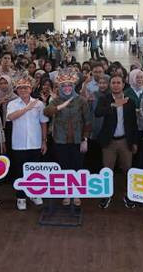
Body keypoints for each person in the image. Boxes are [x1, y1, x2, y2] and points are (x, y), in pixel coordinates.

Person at [44, 69, 91, 207]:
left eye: (69, 85)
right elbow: (46, 112)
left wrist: (85, 139)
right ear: (60, 87)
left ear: (73, 86)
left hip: (78, 140)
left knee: (77, 166)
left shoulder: (81, 100)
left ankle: (76, 193)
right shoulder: (55, 100)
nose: (67, 88)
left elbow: (87, 121)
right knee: (64, 167)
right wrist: (59, 107)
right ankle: (66, 192)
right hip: (60, 140)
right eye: (63, 86)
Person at [95, 75, 139, 209]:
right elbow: (97, 113)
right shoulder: (104, 99)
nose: (115, 85)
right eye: (113, 83)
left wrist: (135, 142)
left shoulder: (129, 101)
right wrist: (113, 106)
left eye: (118, 82)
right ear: (110, 85)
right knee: (107, 170)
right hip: (109, 142)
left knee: (127, 170)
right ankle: (106, 195)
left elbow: (133, 124)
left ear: (123, 84)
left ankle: (128, 195)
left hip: (125, 141)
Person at [6, 76, 48, 211]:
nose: (23, 90)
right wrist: (26, 108)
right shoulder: (12, 104)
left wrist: (44, 141)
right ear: (17, 90)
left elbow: (43, 123)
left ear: (31, 89)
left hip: (35, 142)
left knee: (34, 171)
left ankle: (34, 194)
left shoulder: (39, 104)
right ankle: (21, 197)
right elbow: (10, 117)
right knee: (19, 171)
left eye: (26, 87)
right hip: (18, 144)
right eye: (20, 88)